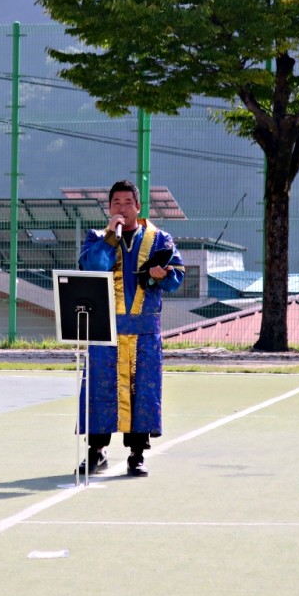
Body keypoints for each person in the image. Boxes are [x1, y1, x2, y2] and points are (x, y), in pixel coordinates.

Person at [76, 179, 184, 477]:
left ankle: (137, 454)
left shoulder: (160, 238)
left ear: (138, 206)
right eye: (116, 203)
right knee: (100, 390)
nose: (122, 208)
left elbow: (176, 279)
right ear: (109, 208)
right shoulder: (96, 237)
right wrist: (110, 236)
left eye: (127, 202)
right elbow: (93, 268)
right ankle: (96, 450)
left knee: (143, 392)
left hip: (144, 330)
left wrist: (161, 274)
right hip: (105, 330)